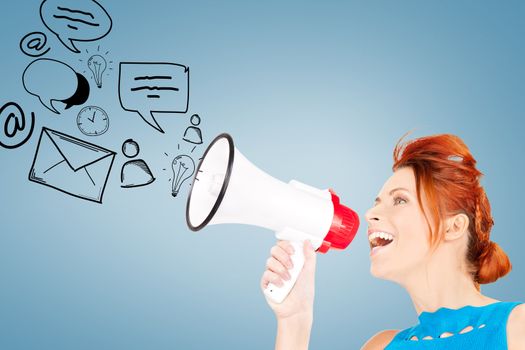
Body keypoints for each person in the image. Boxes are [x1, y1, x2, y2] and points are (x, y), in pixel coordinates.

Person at [260, 134, 525, 349]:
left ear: (453, 227)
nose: (370, 214)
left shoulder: (517, 326)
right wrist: (295, 322)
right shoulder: (381, 345)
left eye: (399, 200)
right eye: (377, 203)